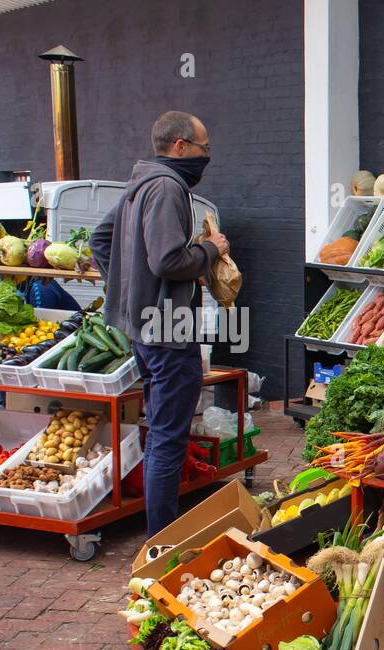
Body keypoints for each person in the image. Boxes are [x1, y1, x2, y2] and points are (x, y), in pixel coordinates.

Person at [91, 110, 229, 536]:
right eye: (204, 149)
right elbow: (169, 259)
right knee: (168, 439)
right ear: (180, 147)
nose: (207, 158)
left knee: (160, 434)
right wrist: (210, 249)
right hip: (169, 332)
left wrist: (132, 292)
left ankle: (160, 533)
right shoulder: (167, 187)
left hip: (144, 329)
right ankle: (162, 542)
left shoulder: (140, 182)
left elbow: (101, 240)